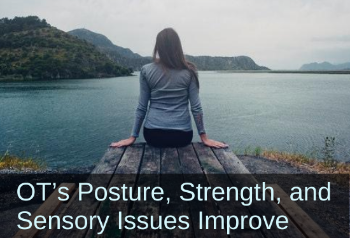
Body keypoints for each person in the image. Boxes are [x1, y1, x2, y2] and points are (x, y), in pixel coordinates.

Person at [110, 28, 228, 148]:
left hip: (152, 135)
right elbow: (196, 108)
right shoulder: (190, 71)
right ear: (178, 46)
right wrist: (204, 137)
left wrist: (132, 136)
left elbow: (142, 107)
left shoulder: (146, 70)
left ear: (158, 47)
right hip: (182, 136)